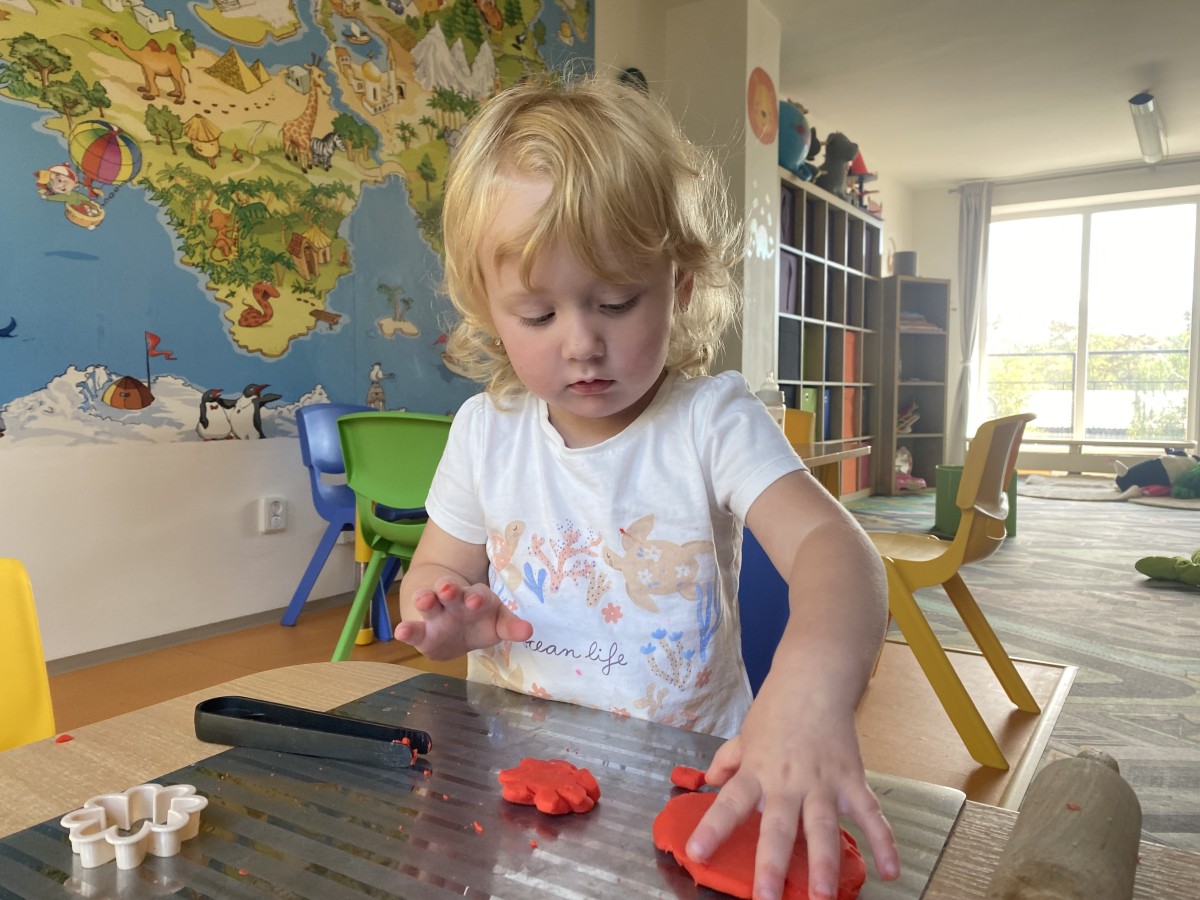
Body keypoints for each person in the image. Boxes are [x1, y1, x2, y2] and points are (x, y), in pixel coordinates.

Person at [395, 74, 900, 900]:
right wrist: (445, 619)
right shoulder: (484, 433)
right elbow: (433, 574)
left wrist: (811, 686)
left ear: (680, 286)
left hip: (693, 787)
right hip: (523, 792)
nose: (582, 344)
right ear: (488, 311)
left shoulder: (712, 421)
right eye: (538, 315)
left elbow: (834, 549)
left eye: (617, 301)